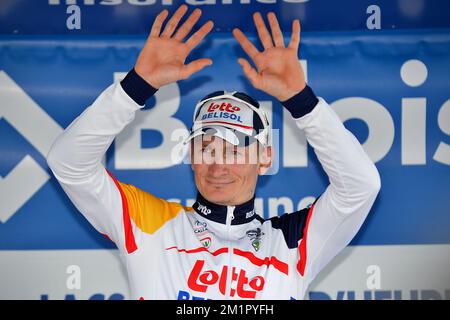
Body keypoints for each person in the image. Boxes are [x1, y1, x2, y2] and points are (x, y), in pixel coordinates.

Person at [47, 4, 381, 300]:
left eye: (234, 151)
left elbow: (361, 187)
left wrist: (301, 101)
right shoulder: (151, 225)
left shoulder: (290, 242)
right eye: (206, 149)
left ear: (265, 158)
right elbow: (68, 163)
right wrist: (135, 86)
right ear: (191, 156)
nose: (217, 166)